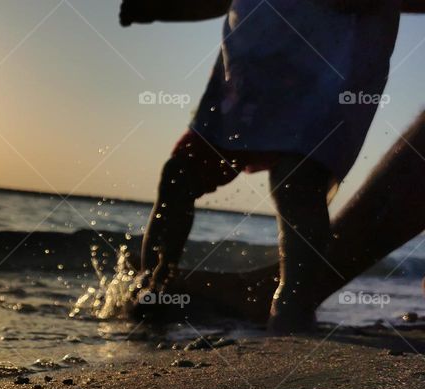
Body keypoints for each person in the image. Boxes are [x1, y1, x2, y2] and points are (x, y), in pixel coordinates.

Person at [123, 0, 402, 333]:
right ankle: (154, 284)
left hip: (330, 67)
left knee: (297, 182)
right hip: (247, 75)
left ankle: (293, 306)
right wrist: (160, 9)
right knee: (180, 174)